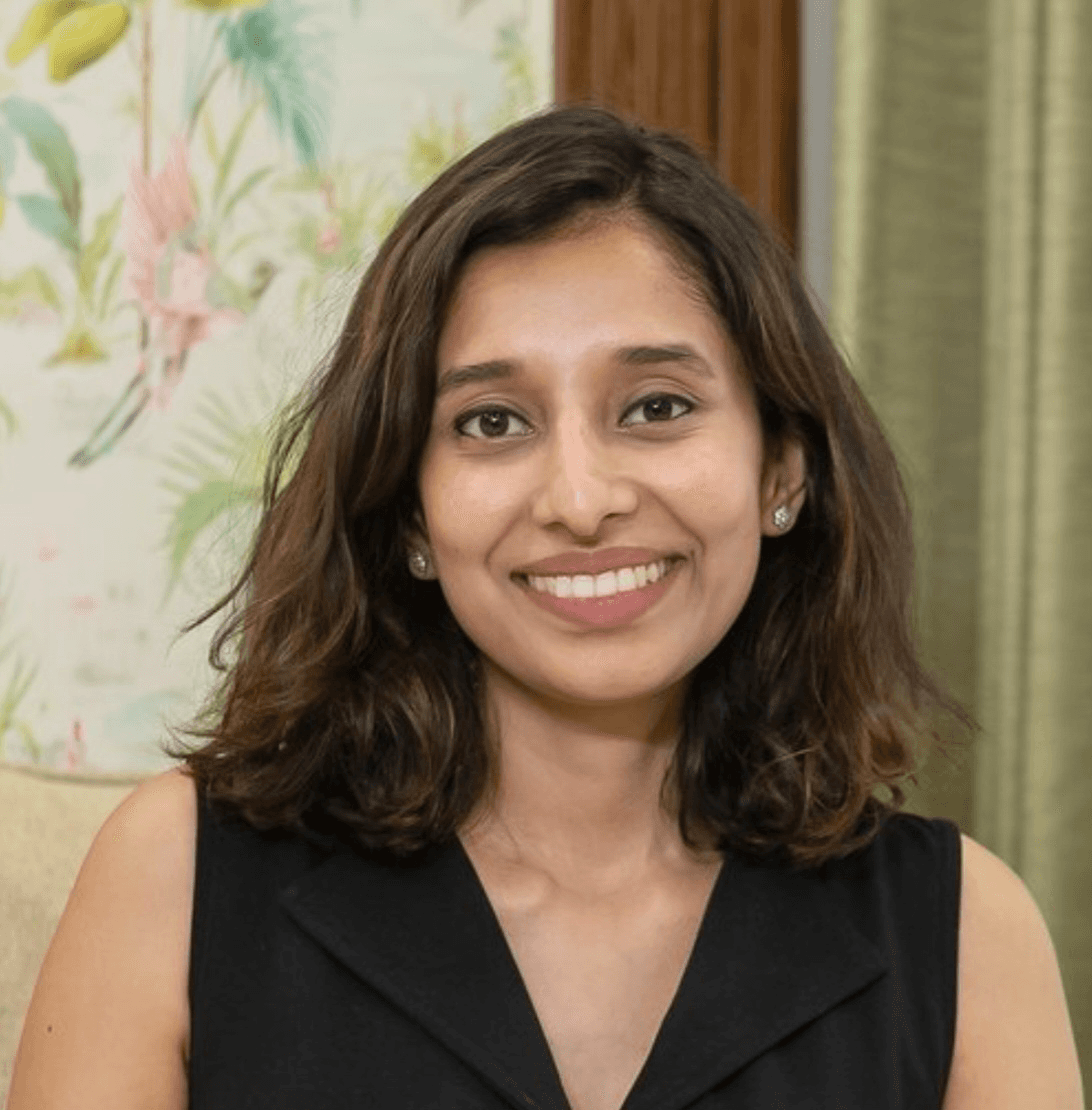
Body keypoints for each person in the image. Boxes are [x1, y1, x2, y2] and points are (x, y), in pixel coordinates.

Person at [7, 106, 1084, 1110]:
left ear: (782, 473)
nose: (581, 500)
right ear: (412, 516)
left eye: (656, 406)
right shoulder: (180, 875)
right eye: (491, 423)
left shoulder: (964, 934)